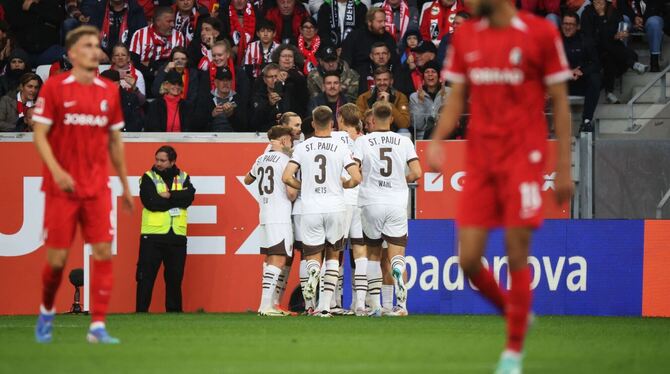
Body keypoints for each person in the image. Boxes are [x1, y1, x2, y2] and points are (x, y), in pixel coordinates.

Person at [426, 0, 574, 371]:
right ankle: (515, 312)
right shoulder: (466, 35)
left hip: (524, 158)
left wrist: (564, 166)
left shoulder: (540, 33)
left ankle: (512, 353)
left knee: (515, 252)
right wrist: (438, 139)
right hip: (481, 160)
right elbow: (457, 94)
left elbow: (559, 100)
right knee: (468, 259)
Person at [33, 25, 134, 344]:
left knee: (103, 251)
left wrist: (124, 184)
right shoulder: (54, 87)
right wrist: (56, 170)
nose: (96, 50)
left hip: (96, 186)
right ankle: (47, 309)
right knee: (58, 260)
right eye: (88, 45)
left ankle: (98, 325)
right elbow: (39, 134)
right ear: (73, 53)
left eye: (97, 45)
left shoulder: (108, 91)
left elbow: (115, 141)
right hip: (61, 187)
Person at [282, 106, 361, 317]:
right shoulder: (341, 147)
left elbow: (287, 177)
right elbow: (357, 177)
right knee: (333, 256)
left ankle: (311, 300)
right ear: (332, 124)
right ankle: (325, 306)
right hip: (335, 207)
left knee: (312, 256)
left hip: (310, 208)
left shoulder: (302, 147)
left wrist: (305, 186)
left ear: (313, 124)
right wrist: (346, 184)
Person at [352, 101, 421, 317]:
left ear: (372, 120)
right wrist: (401, 180)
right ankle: (401, 306)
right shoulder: (404, 140)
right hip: (396, 203)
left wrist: (361, 180)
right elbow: (417, 172)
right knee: (396, 256)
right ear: (391, 118)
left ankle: (375, 306)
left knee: (373, 254)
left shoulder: (363, 140)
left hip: (371, 202)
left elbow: (353, 167)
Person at [244, 125, 297, 316]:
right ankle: (266, 306)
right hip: (280, 214)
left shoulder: (261, 158)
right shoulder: (286, 160)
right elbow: (291, 194)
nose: (291, 143)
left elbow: (247, 179)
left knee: (269, 257)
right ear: (283, 141)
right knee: (279, 258)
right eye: (290, 140)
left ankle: (270, 305)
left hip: (265, 213)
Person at [137, 145, 195, 313]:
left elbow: (189, 198)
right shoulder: (148, 177)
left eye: (163, 160)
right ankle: (140, 313)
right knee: (145, 278)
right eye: (157, 160)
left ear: (172, 161)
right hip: (152, 236)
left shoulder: (183, 177)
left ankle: (174, 314)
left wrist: (169, 195)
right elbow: (151, 202)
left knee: (175, 279)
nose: (158, 163)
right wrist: (177, 199)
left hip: (176, 237)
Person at [332, 103, 368, 315]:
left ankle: (335, 301)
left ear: (341, 119)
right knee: (359, 249)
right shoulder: (365, 140)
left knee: (336, 250)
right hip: (361, 200)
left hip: (342, 199)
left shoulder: (334, 139)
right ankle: (359, 303)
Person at [581, 0, 647, 104]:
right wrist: (602, 17)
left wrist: (621, 33)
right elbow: (590, 37)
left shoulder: (613, 10)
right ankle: (632, 64)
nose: (599, 4)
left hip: (612, 48)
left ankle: (609, 92)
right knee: (609, 49)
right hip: (594, 49)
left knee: (615, 56)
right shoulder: (587, 13)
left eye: (601, 1)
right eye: (596, 2)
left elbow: (619, 26)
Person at [561, 12, 601, 133]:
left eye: (571, 24)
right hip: (561, 83)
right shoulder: (555, 40)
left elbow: (596, 64)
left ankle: (586, 122)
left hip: (579, 82)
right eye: (565, 24)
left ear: (578, 26)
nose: (567, 27)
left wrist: (581, 71)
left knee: (595, 78)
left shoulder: (585, 41)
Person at [129, 7, 186, 83]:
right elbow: (134, 63)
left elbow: (177, 63)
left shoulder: (178, 36)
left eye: (173, 21)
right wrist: (154, 72)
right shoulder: (139, 34)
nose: (172, 25)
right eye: (169, 21)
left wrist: (151, 64)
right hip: (144, 79)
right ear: (157, 22)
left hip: (168, 79)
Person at [3, 0, 66, 65]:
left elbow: (59, 18)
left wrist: (33, 6)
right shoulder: (13, 3)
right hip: (25, 54)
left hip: (49, 50)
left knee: (69, 53)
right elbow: (15, 22)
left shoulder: (47, 3)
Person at [342, 7, 399, 74]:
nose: (384, 25)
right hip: (358, 77)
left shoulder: (389, 38)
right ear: (369, 22)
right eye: (380, 21)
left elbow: (395, 62)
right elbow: (346, 61)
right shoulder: (354, 37)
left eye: (385, 21)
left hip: (383, 77)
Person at [356, 66, 410, 132]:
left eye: (385, 80)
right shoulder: (363, 97)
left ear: (391, 81)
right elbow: (359, 120)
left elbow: (404, 124)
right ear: (374, 81)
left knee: (404, 131)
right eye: (379, 80)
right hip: (370, 133)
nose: (382, 83)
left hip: (393, 133)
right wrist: (377, 105)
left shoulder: (400, 97)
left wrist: (388, 105)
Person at [620, 0, 665, 72]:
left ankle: (654, 62)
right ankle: (622, 59)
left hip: (650, 18)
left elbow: (656, 7)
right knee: (623, 19)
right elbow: (621, 7)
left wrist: (642, 20)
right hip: (631, 21)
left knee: (654, 22)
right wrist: (634, 18)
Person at [409, 60, 447, 140]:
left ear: (439, 76)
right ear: (423, 76)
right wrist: (420, 102)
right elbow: (418, 125)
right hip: (423, 139)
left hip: (446, 136)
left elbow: (453, 121)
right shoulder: (414, 97)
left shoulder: (449, 93)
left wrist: (444, 101)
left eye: (433, 71)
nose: (430, 74)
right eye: (427, 72)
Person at [250, 63, 291, 132]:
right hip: (265, 134)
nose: (274, 79)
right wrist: (269, 105)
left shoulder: (288, 92)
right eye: (270, 77)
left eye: (276, 76)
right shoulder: (258, 97)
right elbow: (255, 122)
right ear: (265, 79)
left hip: (287, 132)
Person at [271, 44, 309, 117]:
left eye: (290, 56)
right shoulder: (270, 72)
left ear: (294, 60)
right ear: (278, 58)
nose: (287, 59)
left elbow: (301, 84)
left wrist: (289, 75)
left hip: (295, 116)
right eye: (284, 56)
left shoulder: (299, 75)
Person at [204, 67, 246, 131]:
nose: (225, 83)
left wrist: (231, 115)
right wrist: (211, 115)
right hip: (212, 137)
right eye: (222, 80)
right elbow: (197, 125)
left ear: (232, 82)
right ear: (216, 82)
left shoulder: (238, 99)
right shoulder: (207, 98)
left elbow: (245, 127)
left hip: (232, 137)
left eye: (228, 80)